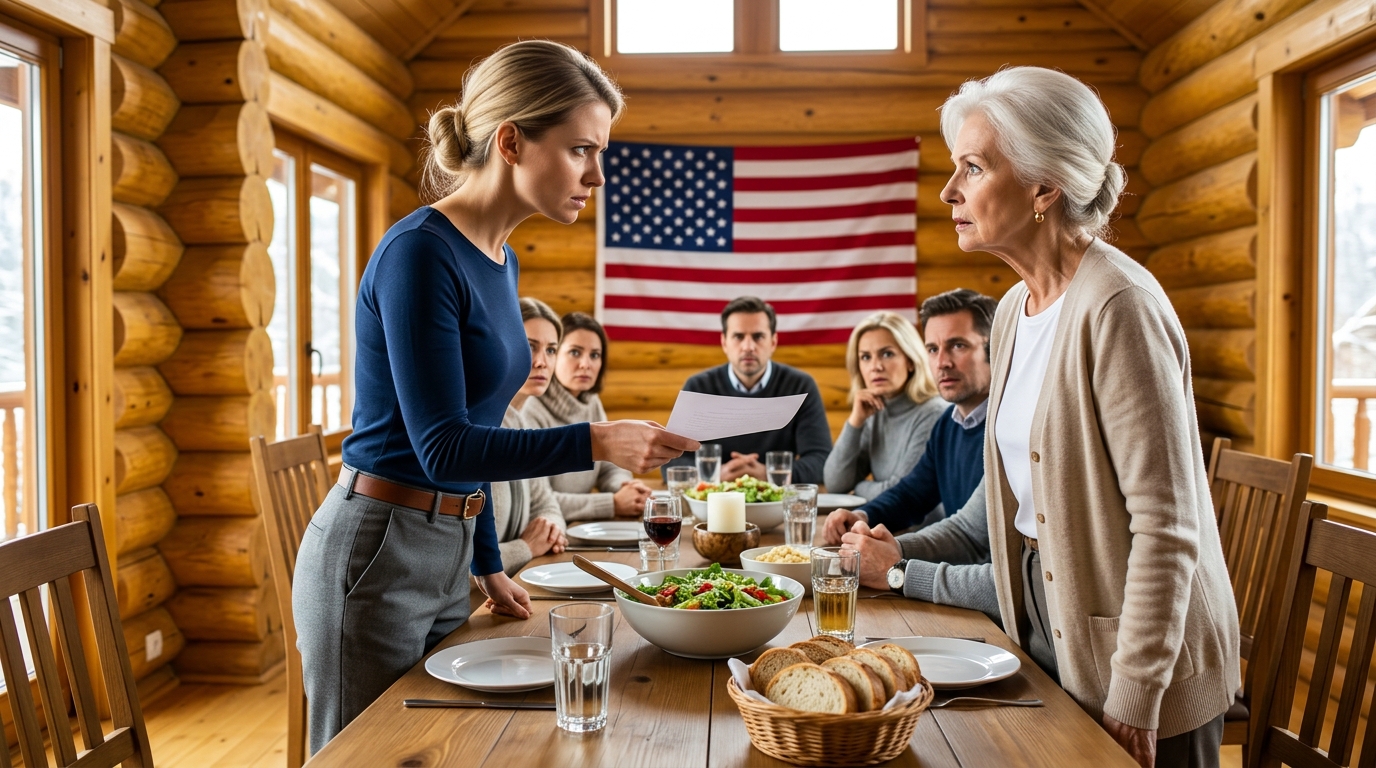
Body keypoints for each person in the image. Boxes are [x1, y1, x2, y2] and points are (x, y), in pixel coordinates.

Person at [292, 41, 697, 754]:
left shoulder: (500, 258)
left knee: (441, 747)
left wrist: (484, 560)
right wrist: (597, 441)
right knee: (363, 753)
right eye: (580, 150)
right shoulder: (419, 252)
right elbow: (443, 446)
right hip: (377, 549)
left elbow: (475, 430)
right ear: (511, 141)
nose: (597, 174)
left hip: (447, 545)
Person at [942, 67, 1238, 768]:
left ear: (1045, 187)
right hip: (1050, 628)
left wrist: (1136, 690)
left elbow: (1167, 526)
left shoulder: (1119, 305)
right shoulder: (1013, 308)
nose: (950, 191)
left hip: (1142, 662)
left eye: (974, 168)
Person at [820, 289, 996, 544]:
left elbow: (969, 536)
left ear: (995, 348)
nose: (942, 362)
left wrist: (897, 555)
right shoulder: (949, 424)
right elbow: (911, 494)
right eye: (933, 349)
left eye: (958, 345)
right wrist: (862, 515)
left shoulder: (1007, 426)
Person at [664, 296, 832, 483]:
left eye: (758, 336)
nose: (748, 347)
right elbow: (670, 460)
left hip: (775, 503)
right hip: (713, 502)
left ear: (773, 342)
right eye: (738, 336)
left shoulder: (800, 386)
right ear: (724, 343)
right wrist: (715, 475)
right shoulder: (698, 387)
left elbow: (822, 461)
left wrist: (769, 474)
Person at [523, 311, 652, 520]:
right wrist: (612, 504)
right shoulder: (529, 410)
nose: (586, 364)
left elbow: (609, 466)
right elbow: (536, 502)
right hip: (547, 531)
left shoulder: (591, 402)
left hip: (580, 527)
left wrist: (626, 488)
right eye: (575, 352)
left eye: (594, 355)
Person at [824, 311, 945, 499]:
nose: (875, 366)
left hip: (923, 527)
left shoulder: (934, 413)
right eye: (865, 357)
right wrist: (855, 422)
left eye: (887, 354)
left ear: (910, 361)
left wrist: (860, 489)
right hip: (886, 526)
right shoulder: (874, 411)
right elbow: (835, 484)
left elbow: (902, 493)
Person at [844, 478, 1000, 623]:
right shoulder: (1001, 449)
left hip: (1007, 640)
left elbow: (1015, 586)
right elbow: (967, 532)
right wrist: (893, 549)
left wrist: (900, 574)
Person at [491, 298, 569, 576]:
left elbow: (548, 505)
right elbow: (458, 563)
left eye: (551, 350)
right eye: (529, 346)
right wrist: (526, 547)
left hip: (517, 584)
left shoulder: (521, 422)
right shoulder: (477, 427)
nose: (541, 362)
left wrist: (548, 530)